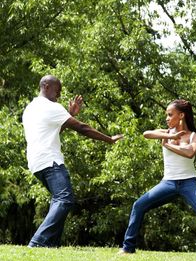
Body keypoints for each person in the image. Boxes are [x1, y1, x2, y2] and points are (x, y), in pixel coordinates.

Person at [22, 75, 123, 248]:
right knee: (65, 199)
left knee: (58, 200)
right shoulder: (50, 106)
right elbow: (82, 127)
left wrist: (69, 115)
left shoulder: (30, 108)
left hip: (36, 162)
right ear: (46, 86)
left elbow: (52, 132)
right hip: (50, 160)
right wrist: (109, 139)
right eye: (57, 90)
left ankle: (52, 245)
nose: (59, 95)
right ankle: (37, 242)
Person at [119, 99, 196, 257]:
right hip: (168, 182)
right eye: (166, 115)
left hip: (190, 182)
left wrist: (168, 144)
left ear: (181, 115)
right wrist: (166, 135)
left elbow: (189, 152)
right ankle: (127, 248)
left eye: (169, 115)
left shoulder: (195, 136)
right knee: (139, 205)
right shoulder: (166, 132)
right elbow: (146, 134)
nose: (166, 118)